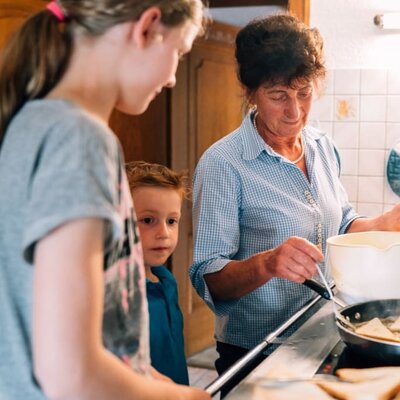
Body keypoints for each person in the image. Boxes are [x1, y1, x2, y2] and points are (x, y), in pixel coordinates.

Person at [0, 0, 210, 399]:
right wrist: (183, 396)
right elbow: (70, 375)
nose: (171, 78)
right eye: (179, 53)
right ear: (147, 27)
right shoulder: (80, 140)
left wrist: (145, 377)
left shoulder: (29, 123)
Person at [189, 13, 400, 397]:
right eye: (278, 95)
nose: (295, 112)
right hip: (256, 348)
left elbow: (341, 223)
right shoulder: (223, 164)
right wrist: (267, 263)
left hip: (319, 331)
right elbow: (209, 277)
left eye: (304, 93)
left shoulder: (321, 146)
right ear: (249, 90)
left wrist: (386, 222)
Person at [126, 161, 190, 385]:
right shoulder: (119, 294)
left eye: (172, 221)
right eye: (147, 220)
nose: (164, 233)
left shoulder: (167, 281)